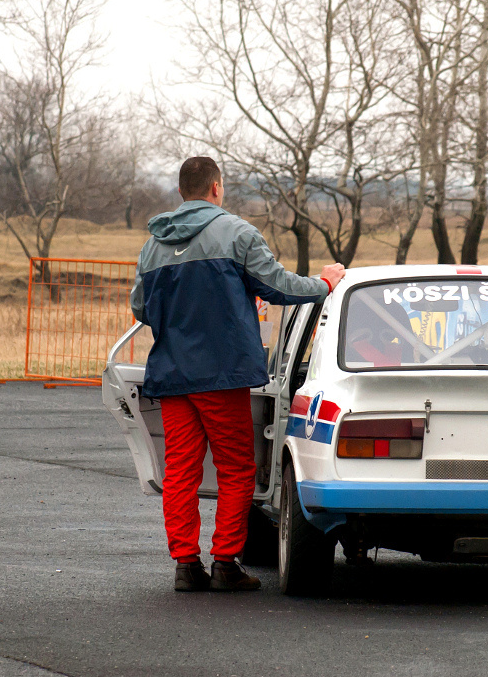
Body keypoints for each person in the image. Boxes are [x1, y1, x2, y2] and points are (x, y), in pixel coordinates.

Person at [130, 156, 345, 592]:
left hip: (171, 376)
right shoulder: (238, 233)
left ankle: (185, 566)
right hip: (222, 374)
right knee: (235, 468)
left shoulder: (154, 244)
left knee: (181, 472)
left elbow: (139, 307)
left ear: (181, 192)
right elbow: (279, 288)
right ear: (216, 187)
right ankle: (225, 562)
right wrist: (324, 283)